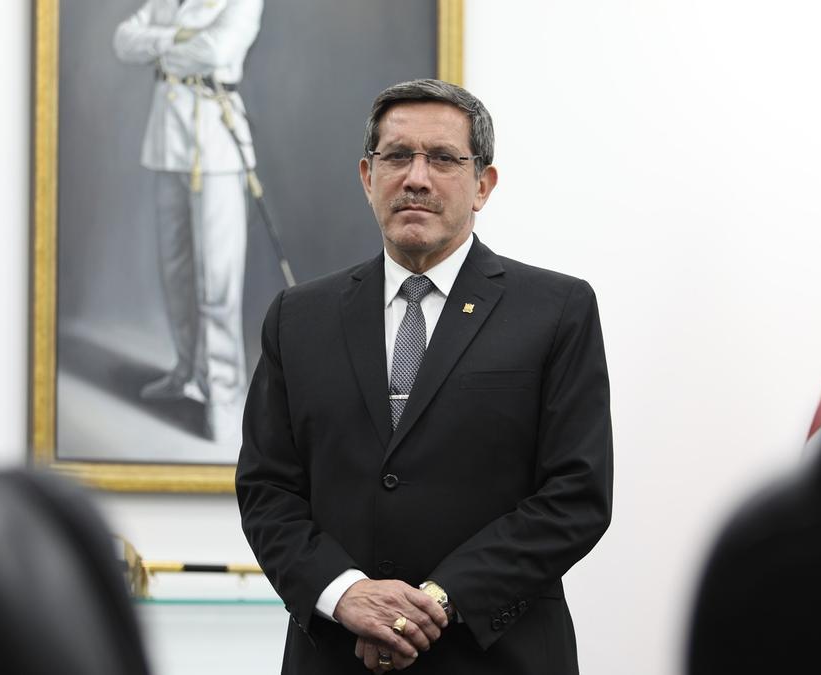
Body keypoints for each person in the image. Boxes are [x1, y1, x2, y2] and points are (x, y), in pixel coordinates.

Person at [236, 79, 613, 673]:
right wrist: (345, 593)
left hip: (496, 653)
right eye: (397, 157)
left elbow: (576, 496)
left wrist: (434, 602)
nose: (416, 177)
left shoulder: (556, 309)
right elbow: (267, 490)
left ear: (483, 184)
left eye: (442, 158)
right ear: (368, 177)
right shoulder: (296, 317)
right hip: (336, 653)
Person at [113, 0, 263, 439]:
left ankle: (222, 390)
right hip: (167, 141)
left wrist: (159, 44)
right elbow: (122, 41)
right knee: (176, 266)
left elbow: (217, 51)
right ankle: (187, 370)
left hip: (215, 142)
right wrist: (177, 39)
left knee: (218, 274)